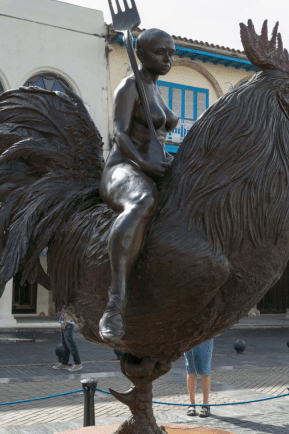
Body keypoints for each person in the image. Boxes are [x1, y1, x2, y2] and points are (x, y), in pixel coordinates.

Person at [98, 28, 178, 343]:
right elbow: (119, 133)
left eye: (171, 53)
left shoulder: (156, 90)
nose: (168, 59)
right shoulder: (129, 86)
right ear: (141, 55)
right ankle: (115, 303)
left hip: (154, 165)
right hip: (123, 167)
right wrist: (143, 165)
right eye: (161, 52)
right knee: (143, 200)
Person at [184, 338, 214, 418]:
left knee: (205, 370)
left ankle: (205, 404)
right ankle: (191, 404)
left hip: (205, 337)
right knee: (190, 370)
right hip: (190, 337)